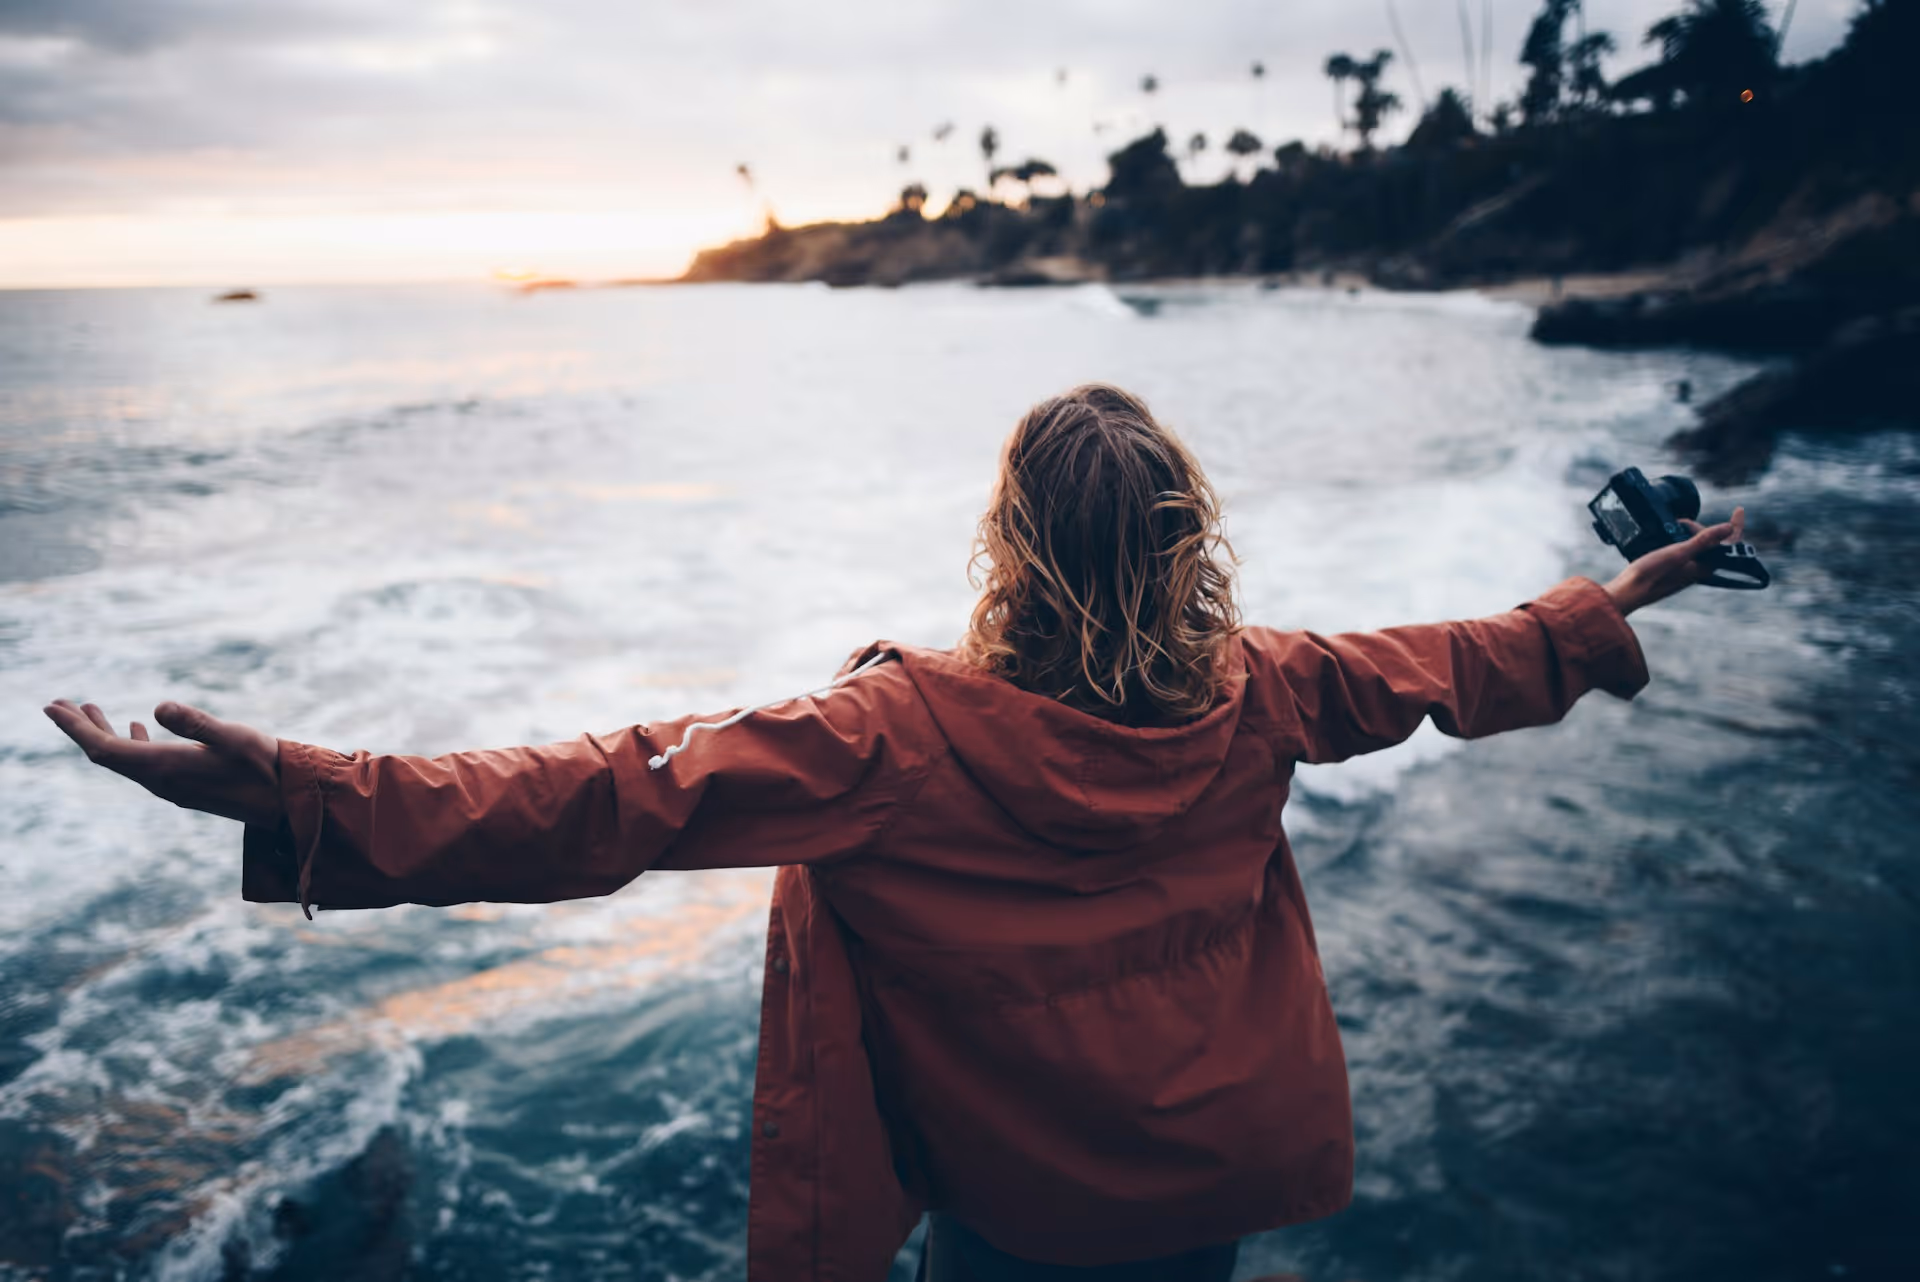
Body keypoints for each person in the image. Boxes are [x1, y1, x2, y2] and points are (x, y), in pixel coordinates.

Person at [45, 384, 1747, 1282]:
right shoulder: (1266, 688)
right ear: (1185, 545)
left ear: (1010, 544)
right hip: (1214, 1171)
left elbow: (605, 794)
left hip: (1024, 1206)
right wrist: (1618, 597)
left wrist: (310, 792)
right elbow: (1452, 660)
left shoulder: (893, 739)